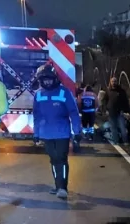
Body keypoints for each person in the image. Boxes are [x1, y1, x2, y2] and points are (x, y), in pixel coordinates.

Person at [32, 63, 82, 200]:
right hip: (46, 134)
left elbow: (73, 112)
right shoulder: (38, 95)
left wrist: (77, 131)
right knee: (53, 160)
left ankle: (62, 187)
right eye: (44, 79)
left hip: (62, 133)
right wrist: (36, 134)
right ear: (40, 80)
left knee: (61, 159)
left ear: (55, 78)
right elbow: (36, 116)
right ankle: (57, 185)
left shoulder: (64, 92)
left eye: (49, 78)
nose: (47, 82)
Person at [105, 77, 130, 146]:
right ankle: (116, 142)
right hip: (111, 112)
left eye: (115, 81)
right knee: (113, 128)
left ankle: (125, 141)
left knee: (123, 128)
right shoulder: (108, 91)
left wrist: (126, 111)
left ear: (117, 82)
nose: (114, 83)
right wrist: (106, 110)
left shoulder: (121, 91)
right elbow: (105, 101)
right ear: (110, 82)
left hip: (120, 112)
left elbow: (126, 101)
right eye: (112, 81)